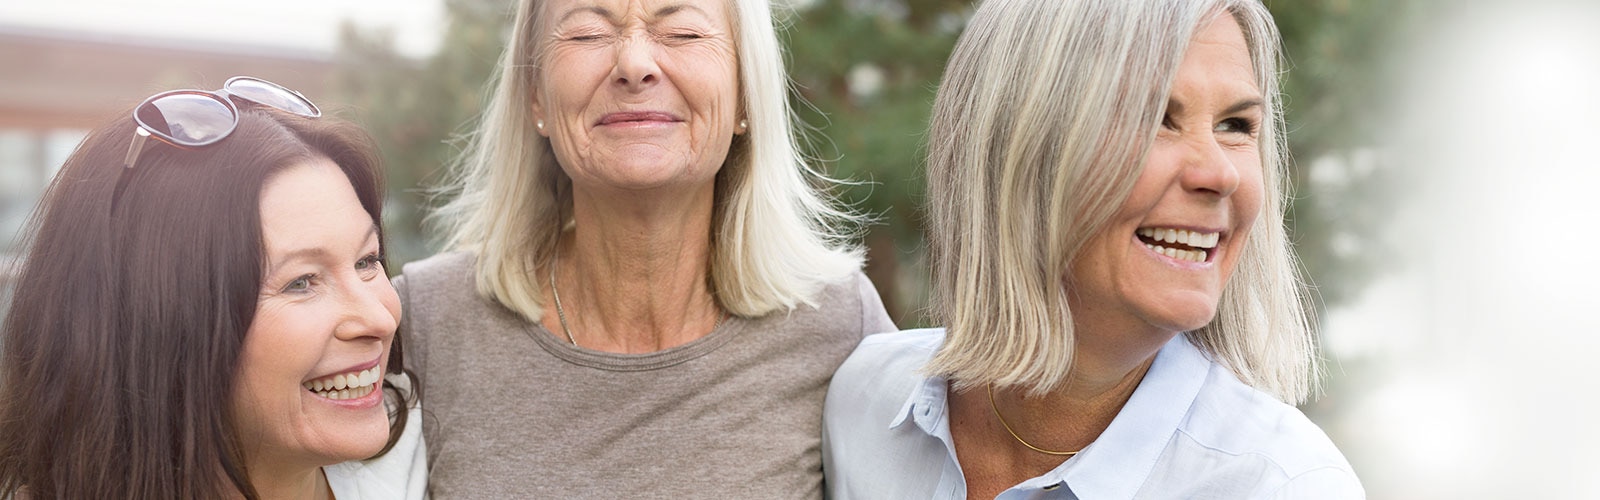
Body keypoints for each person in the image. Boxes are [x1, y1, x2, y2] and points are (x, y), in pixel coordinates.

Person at [823, 0, 1363, 498]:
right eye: (1155, 118)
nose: (1218, 172)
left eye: (1236, 125)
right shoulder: (862, 402)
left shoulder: (1284, 483)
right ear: (1019, 145)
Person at [394, 0, 896, 496]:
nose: (634, 65)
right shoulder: (424, 322)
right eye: (588, 33)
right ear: (536, 97)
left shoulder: (839, 326)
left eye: (683, 33)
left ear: (745, 94)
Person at [0, 77, 425, 499]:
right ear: (161, 321)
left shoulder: (426, 463)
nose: (380, 317)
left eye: (367, 261)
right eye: (301, 282)